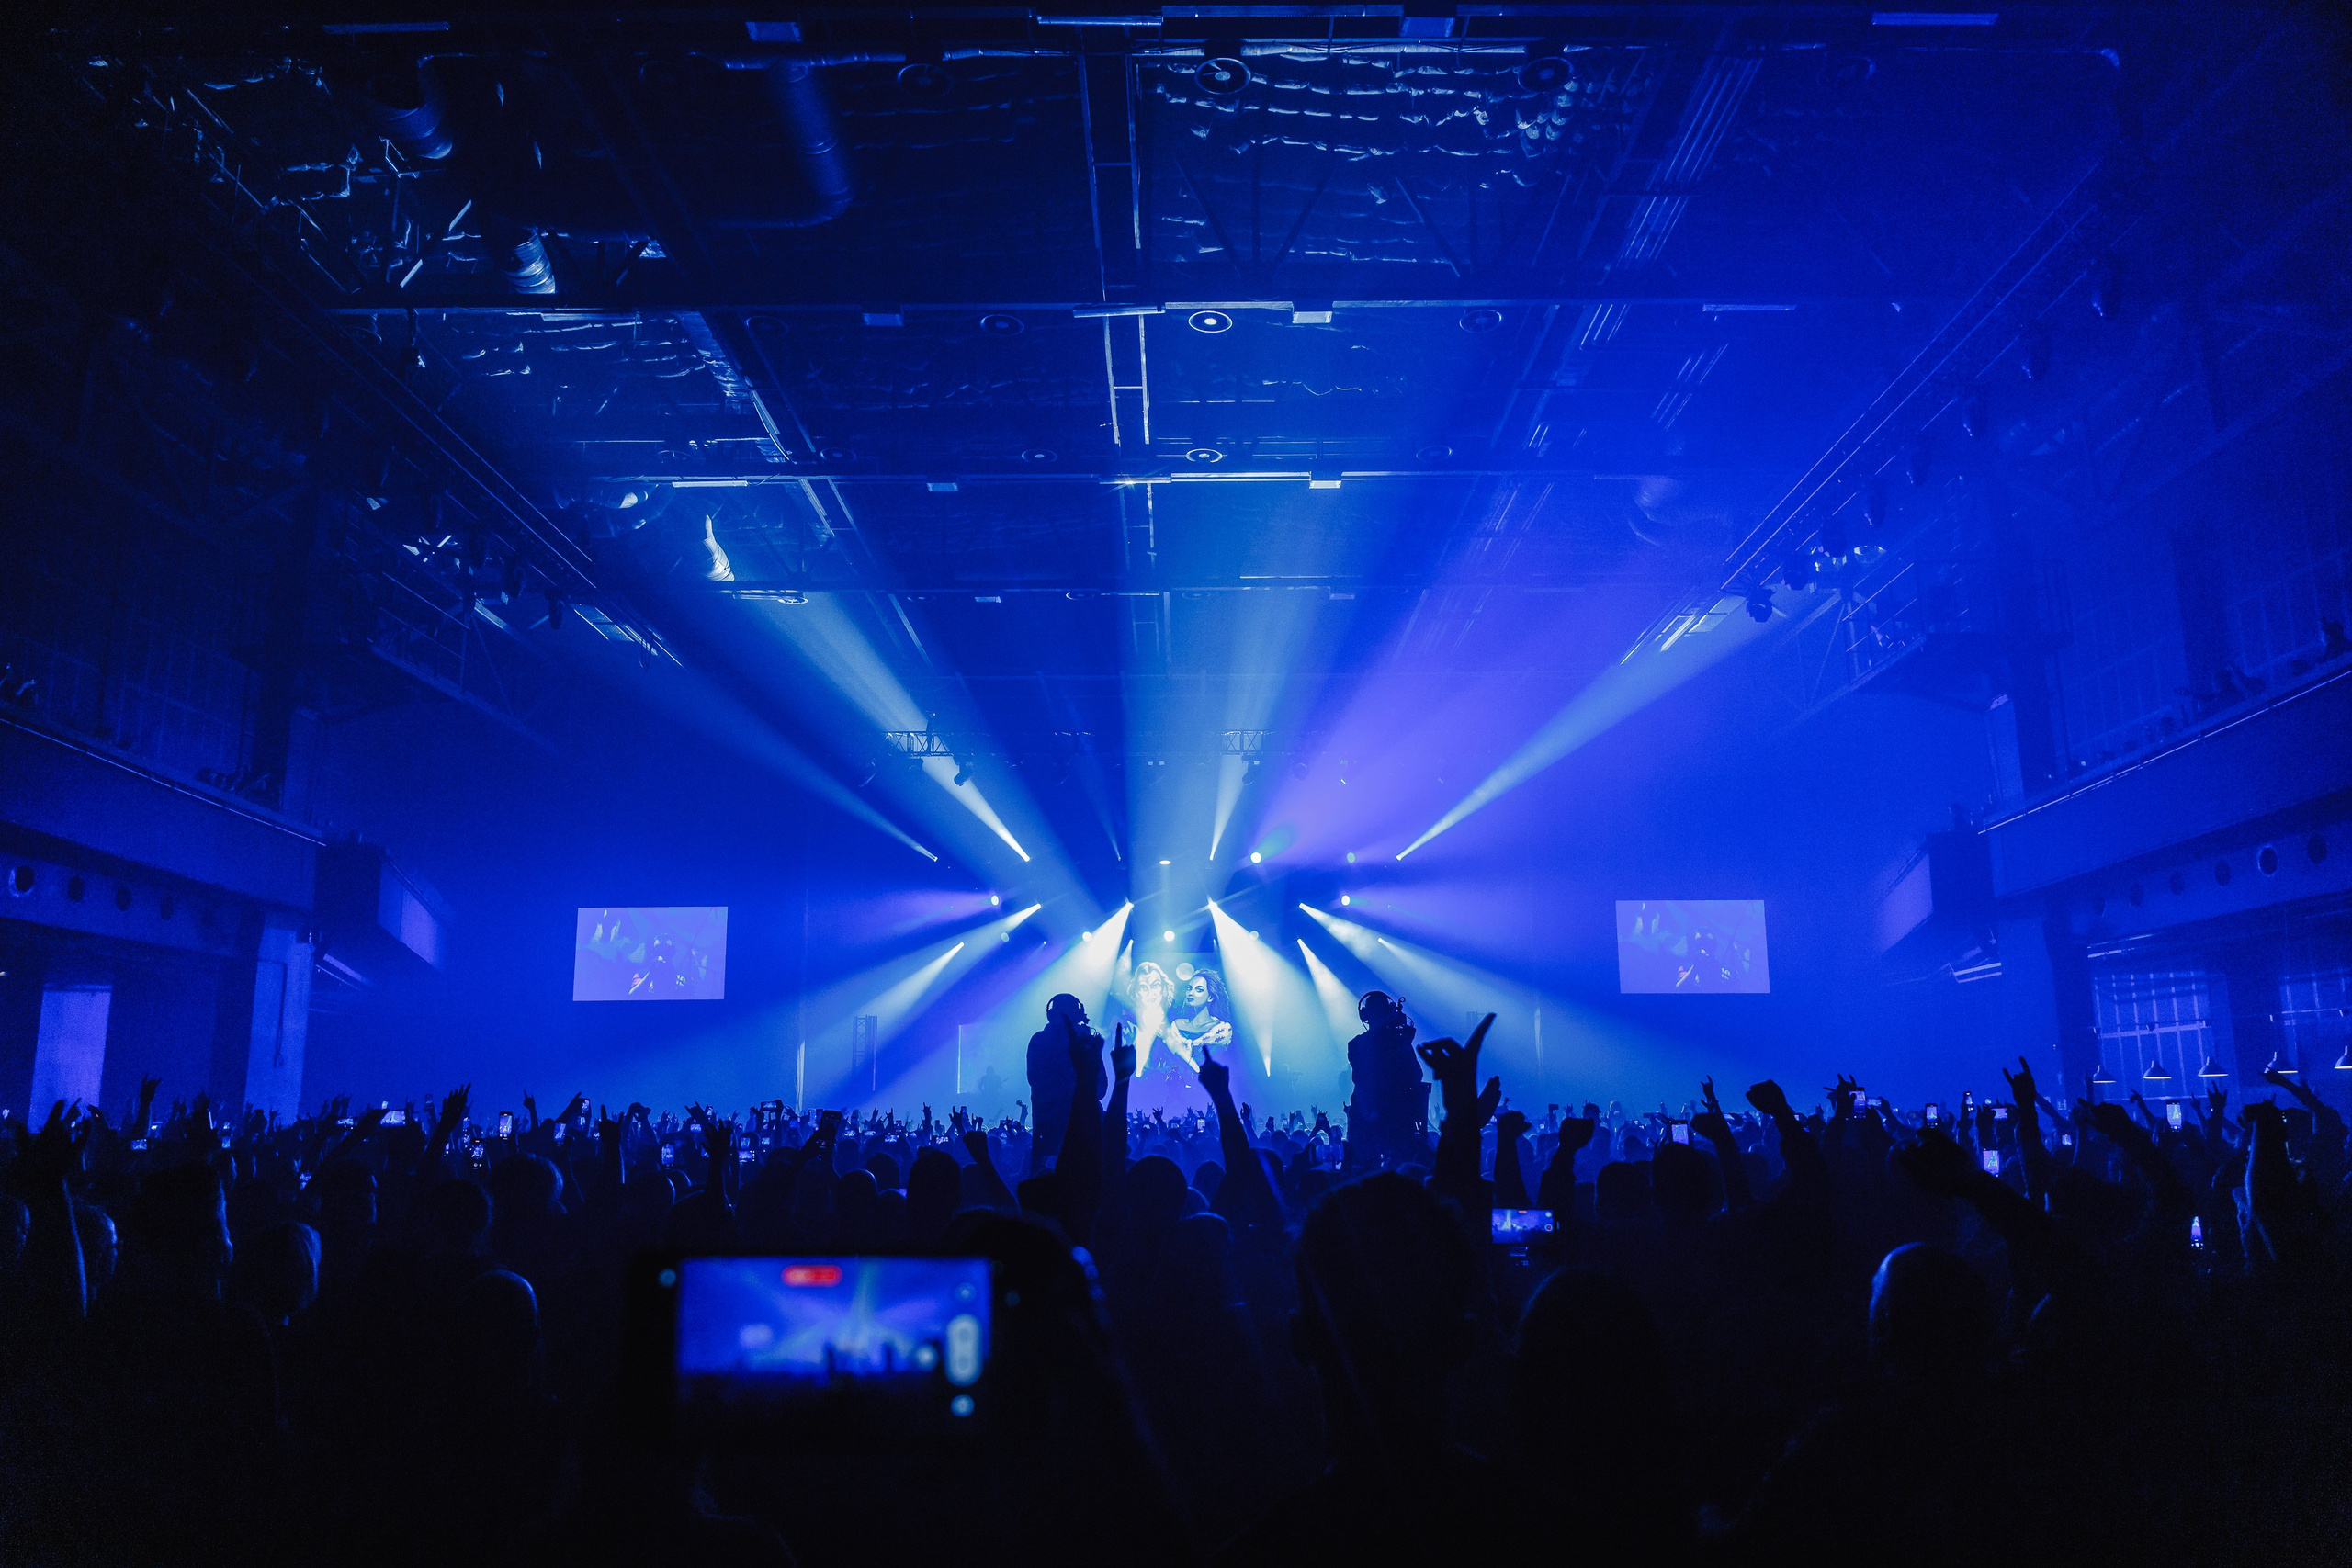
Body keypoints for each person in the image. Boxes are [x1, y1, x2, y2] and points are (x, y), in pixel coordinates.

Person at [1343, 990, 1427, 1174]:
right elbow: (1415, 1075)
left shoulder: (1355, 1044)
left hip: (1366, 1116)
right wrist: (1404, 1044)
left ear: (1365, 1015)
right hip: (1397, 1116)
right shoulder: (1398, 1043)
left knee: (1362, 1168)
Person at [1025, 992, 1105, 1175]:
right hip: (1073, 1126)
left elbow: (1034, 1080)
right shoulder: (1084, 1041)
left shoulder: (1038, 1040)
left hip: (1048, 1126)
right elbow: (1101, 1087)